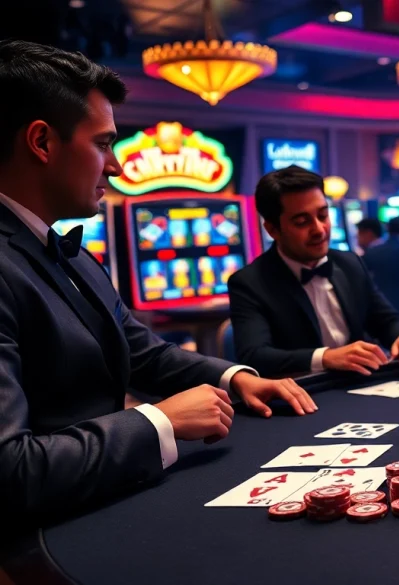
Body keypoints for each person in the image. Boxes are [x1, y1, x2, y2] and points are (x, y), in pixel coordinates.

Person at [0, 40, 315, 523]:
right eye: (103, 144)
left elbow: (142, 351)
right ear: (41, 142)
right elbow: (11, 472)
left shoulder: (72, 252)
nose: (116, 166)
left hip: (102, 500)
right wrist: (158, 421)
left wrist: (237, 378)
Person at [228, 166, 399, 378]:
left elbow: (387, 320)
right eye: (302, 221)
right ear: (273, 230)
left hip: (361, 386)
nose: (319, 229)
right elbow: (255, 356)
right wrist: (326, 358)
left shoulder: (350, 263)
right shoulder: (249, 282)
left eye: (323, 215)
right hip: (301, 396)